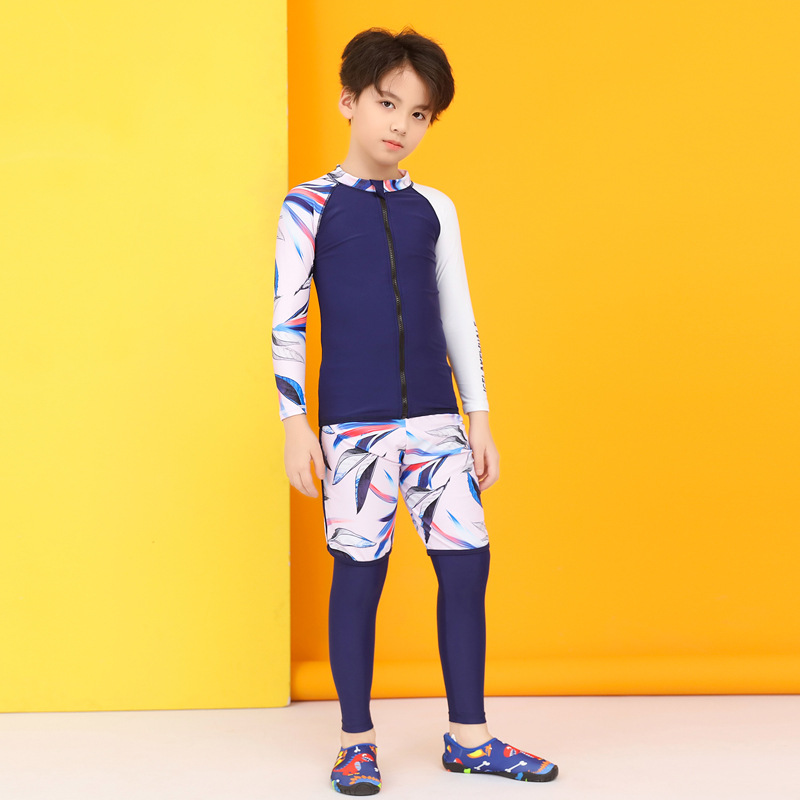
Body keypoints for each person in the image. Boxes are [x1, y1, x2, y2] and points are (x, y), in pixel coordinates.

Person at [272, 26, 559, 795]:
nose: (401, 124)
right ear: (350, 101)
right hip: (354, 429)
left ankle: (471, 738)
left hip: (437, 423)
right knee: (358, 576)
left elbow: (458, 313)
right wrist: (295, 423)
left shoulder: (435, 207)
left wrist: (480, 415)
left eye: (420, 113)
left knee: (467, 569)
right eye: (387, 103)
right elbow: (287, 319)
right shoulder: (308, 206)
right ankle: (355, 741)